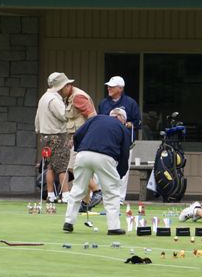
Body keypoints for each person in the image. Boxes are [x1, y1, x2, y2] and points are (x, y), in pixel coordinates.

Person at [62, 108, 131, 235]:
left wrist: (80, 150)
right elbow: (125, 153)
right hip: (105, 157)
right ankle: (113, 227)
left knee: (78, 188)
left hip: (83, 154)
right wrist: (120, 173)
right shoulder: (123, 129)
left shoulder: (95, 118)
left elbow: (77, 135)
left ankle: (68, 222)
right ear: (122, 118)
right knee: (111, 192)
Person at [58, 75, 102, 212]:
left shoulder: (78, 97)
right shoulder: (69, 97)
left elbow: (92, 116)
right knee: (82, 170)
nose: (59, 92)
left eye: (60, 89)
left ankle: (97, 191)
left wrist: (83, 136)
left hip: (84, 139)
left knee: (75, 168)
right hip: (78, 139)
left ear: (67, 85)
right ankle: (86, 203)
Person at [98, 76, 141, 203]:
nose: (108, 88)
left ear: (120, 88)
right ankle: (103, 195)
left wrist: (128, 124)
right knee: (105, 168)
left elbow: (138, 123)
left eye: (112, 86)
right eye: (108, 86)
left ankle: (120, 198)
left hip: (125, 142)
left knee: (123, 169)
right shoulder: (103, 103)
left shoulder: (130, 103)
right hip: (107, 142)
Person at [35, 72, 71, 203]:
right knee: (62, 167)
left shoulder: (44, 97)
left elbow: (37, 119)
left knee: (50, 166)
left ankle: (50, 194)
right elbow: (63, 115)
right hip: (57, 135)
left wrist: (39, 131)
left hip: (45, 135)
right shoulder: (54, 99)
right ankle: (66, 195)